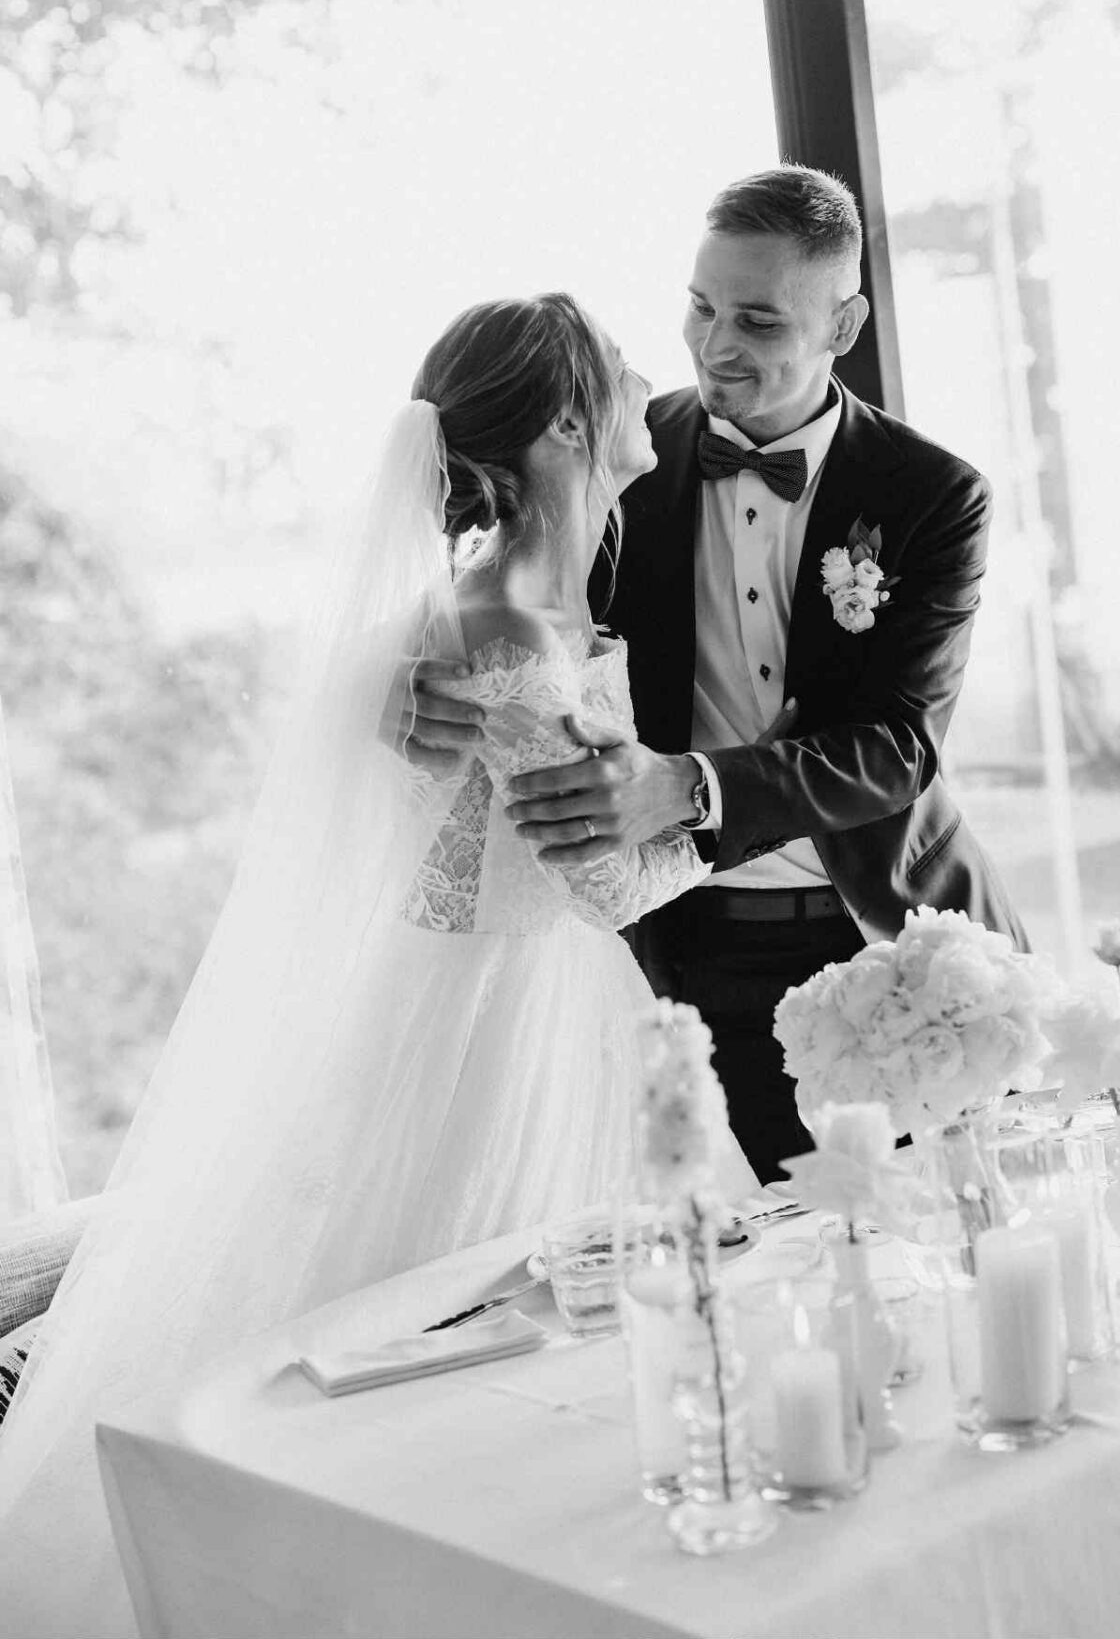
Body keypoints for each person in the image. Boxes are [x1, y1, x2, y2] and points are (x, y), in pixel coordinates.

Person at [0, 292, 752, 1637]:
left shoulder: (485, 609)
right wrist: (729, 825)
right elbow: (601, 884)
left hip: (478, 990)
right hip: (511, 1020)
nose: (652, 378)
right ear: (567, 422)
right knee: (479, 1345)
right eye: (620, 365)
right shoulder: (511, 629)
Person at [403, 168, 1027, 1184]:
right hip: (687, 958)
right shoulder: (618, 454)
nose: (714, 346)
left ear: (843, 324)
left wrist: (689, 788)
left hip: (888, 936)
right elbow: (500, 595)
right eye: (700, 307)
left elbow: (900, 746)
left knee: (944, 1228)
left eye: (758, 320)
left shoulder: (932, 493)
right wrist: (411, 678)